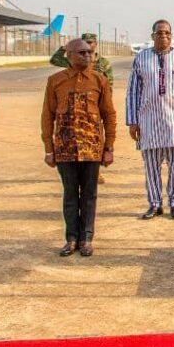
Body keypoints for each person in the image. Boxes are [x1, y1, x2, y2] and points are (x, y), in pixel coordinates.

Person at [42, 38, 116, 257]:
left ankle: (86, 238)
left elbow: (108, 115)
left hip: (92, 147)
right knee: (70, 194)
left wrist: (109, 147)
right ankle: (71, 238)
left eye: (89, 53)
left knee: (90, 194)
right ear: (69, 55)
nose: (87, 56)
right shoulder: (55, 80)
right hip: (65, 147)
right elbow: (48, 115)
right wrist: (49, 148)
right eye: (82, 53)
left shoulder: (99, 80)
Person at [127, 20, 174, 220]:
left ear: (172, 35)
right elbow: (133, 92)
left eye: (167, 33)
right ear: (153, 36)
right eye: (159, 33)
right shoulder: (141, 59)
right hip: (149, 122)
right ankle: (155, 204)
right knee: (151, 167)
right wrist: (133, 121)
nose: (164, 37)